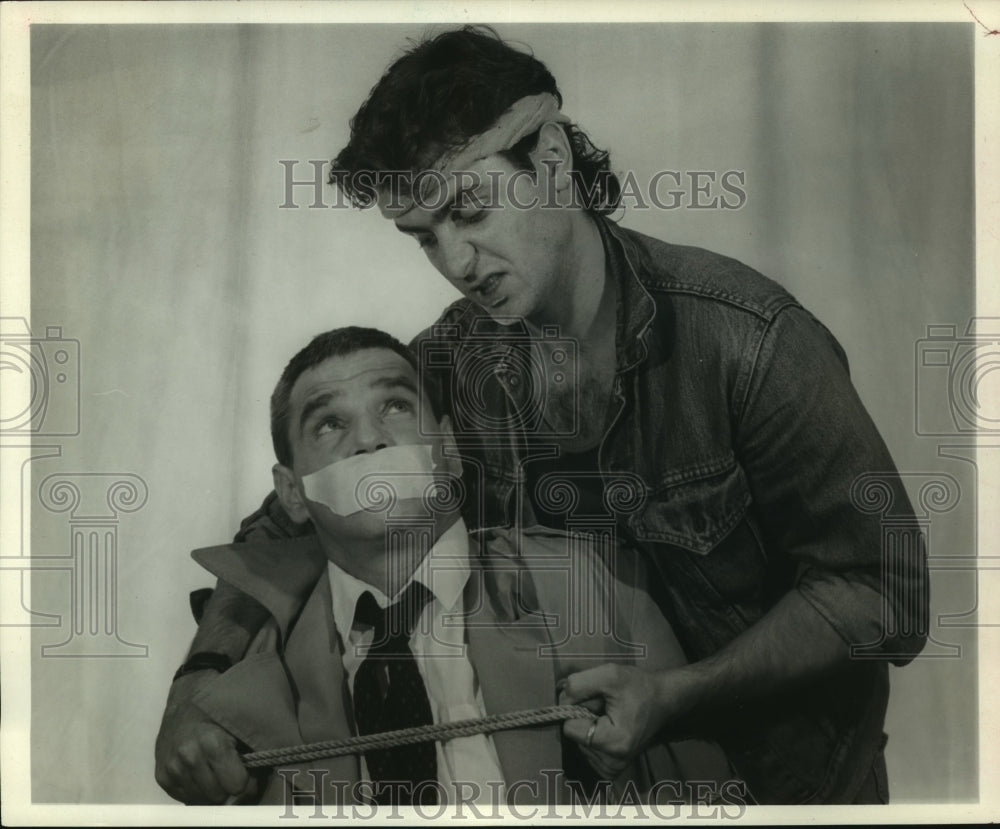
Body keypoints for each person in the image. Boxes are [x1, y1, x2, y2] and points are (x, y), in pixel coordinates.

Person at [156, 26, 926, 805]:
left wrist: (679, 693)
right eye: (425, 238)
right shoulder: (451, 362)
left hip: (786, 788)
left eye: (472, 212)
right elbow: (287, 521)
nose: (455, 263)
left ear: (551, 161)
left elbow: (883, 592)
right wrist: (196, 688)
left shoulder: (751, 341)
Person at [157, 326, 736, 807]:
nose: (370, 441)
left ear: (450, 453)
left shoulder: (601, 587)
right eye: (329, 424)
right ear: (290, 494)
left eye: (396, 406)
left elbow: (705, 796)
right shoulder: (246, 693)